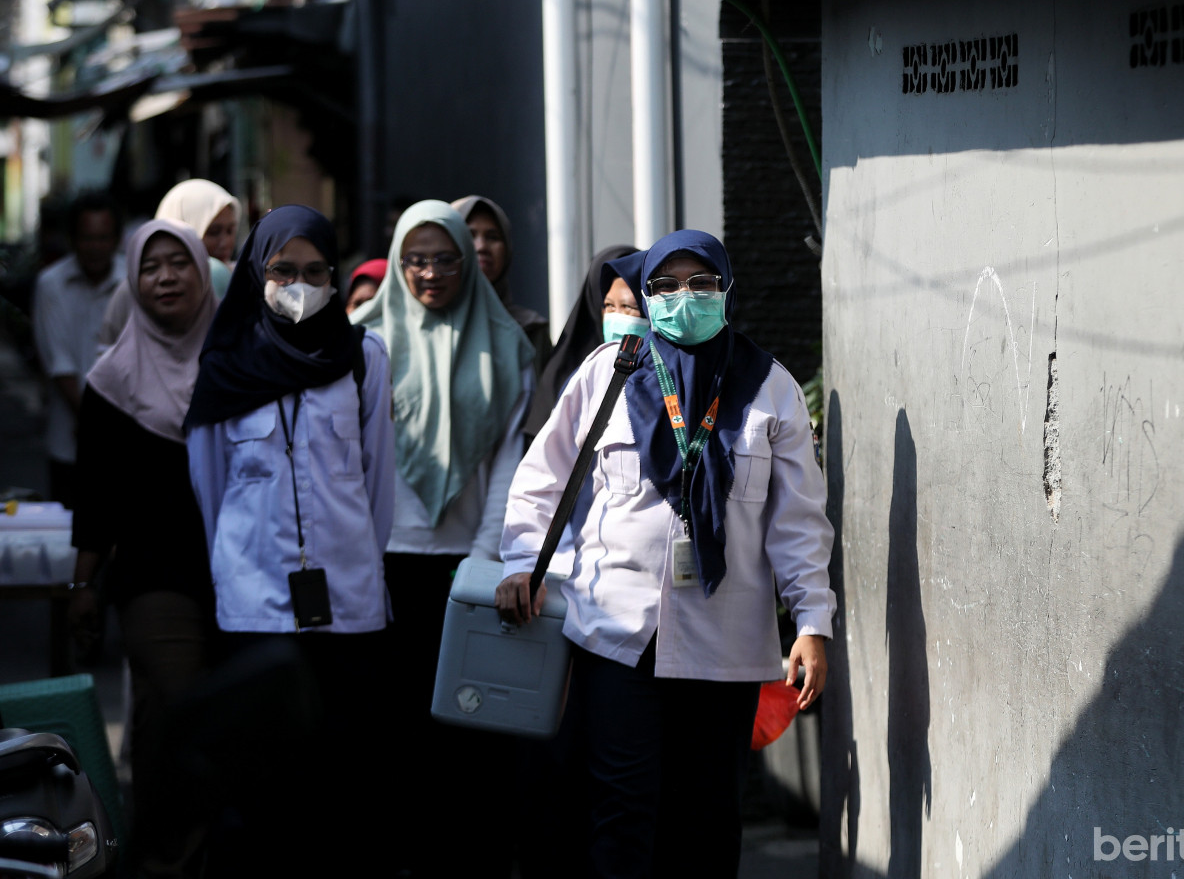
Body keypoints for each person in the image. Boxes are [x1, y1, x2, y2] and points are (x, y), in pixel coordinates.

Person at [497, 229, 836, 878]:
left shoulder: (770, 386)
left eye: (702, 283)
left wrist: (812, 623)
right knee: (621, 812)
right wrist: (522, 562)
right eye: (666, 285)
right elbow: (543, 478)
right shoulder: (611, 369)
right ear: (646, 295)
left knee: (706, 818)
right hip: (616, 636)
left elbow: (797, 521)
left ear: (726, 288)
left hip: (725, 645)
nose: (686, 297)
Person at [183, 204, 394, 876]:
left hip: (348, 604)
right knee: (260, 777)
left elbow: (377, 485)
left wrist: (352, 557)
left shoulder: (363, 358)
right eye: (282, 271)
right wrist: (244, 566)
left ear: (333, 278)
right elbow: (211, 490)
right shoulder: (222, 366)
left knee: (341, 771)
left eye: (314, 272)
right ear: (256, 274)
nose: (299, 285)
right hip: (254, 602)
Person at [350, 199, 533, 878]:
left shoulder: (507, 346)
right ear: (398, 262)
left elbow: (509, 466)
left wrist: (484, 558)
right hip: (384, 567)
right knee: (393, 736)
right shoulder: (363, 343)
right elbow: (350, 465)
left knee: (470, 737)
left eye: (446, 257)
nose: (431, 273)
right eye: (416, 259)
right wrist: (362, 558)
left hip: (466, 570)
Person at [68, 220, 217, 878]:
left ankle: (169, 847)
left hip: (239, 577)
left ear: (203, 273)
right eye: (150, 267)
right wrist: (82, 586)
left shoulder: (239, 365)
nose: (164, 277)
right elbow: (95, 496)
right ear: (133, 282)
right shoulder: (109, 381)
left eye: (178, 264)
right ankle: (170, 857)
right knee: (183, 702)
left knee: (174, 722)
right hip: (155, 579)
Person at [31, 192, 124, 506]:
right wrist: (93, 422)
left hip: (125, 437)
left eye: (103, 238)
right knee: (67, 533)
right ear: (72, 240)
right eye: (87, 238)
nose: (96, 247)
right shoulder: (51, 284)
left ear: (116, 239)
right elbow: (59, 364)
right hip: (68, 443)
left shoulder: (133, 279)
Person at [98, 179, 243, 349]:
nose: (225, 242)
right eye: (213, 232)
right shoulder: (134, 289)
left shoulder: (240, 279)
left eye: (230, 230)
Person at [522, 244, 642, 440]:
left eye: (629, 306)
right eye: (609, 305)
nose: (617, 316)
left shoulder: (664, 371)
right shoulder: (569, 376)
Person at [451, 194, 553, 372]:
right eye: (469, 235)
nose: (481, 246)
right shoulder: (432, 327)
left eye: (492, 237)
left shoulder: (530, 329)